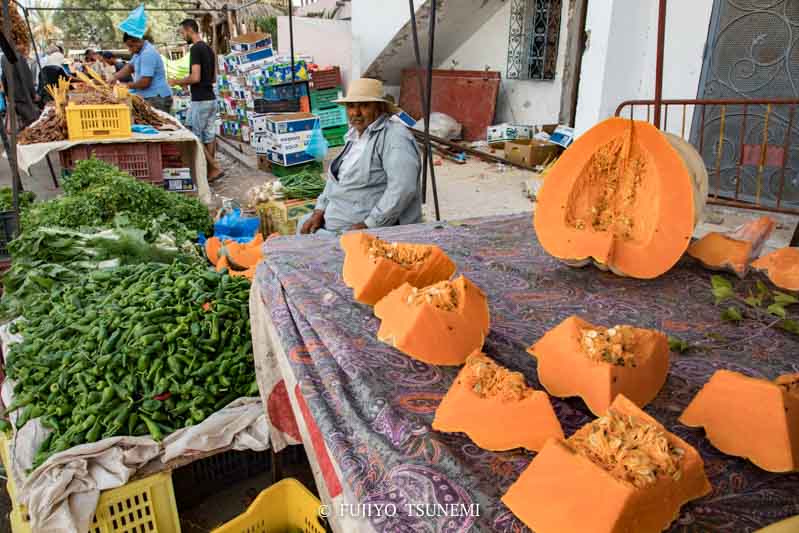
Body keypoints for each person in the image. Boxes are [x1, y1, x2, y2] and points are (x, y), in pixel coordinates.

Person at [298, 78, 421, 235]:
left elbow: (403, 188)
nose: (355, 113)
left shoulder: (395, 137)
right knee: (302, 226)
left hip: (366, 229)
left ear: (380, 108)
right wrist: (319, 210)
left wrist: (369, 224)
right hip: (336, 218)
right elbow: (336, 179)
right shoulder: (354, 135)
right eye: (350, 106)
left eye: (364, 105)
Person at [168, 19, 223, 181]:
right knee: (209, 136)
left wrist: (176, 81)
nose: (182, 35)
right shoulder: (208, 48)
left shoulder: (196, 49)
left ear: (189, 30)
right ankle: (208, 172)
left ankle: (213, 167)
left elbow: (195, 77)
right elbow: (211, 77)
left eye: (182, 32)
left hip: (200, 100)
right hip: (211, 98)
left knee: (194, 135)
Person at [113, 33, 173, 113]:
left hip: (156, 98)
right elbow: (130, 67)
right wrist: (114, 77)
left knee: (157, 123)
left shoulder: (147, 53)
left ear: (138, 41)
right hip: (149, 97)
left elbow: (145, 83)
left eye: (130, 46)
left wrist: (126, 85)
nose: (129, 50)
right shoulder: (139, 52)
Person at [1, 40, 41, 132]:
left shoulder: (4, 57)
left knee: (24, 122)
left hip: (15, 96)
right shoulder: (19, 57)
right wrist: (33, 94)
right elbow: (26, 78)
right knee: (32, 122)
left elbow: (4, 78)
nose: (25, 47)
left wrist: (8, 95)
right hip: (24, 96)